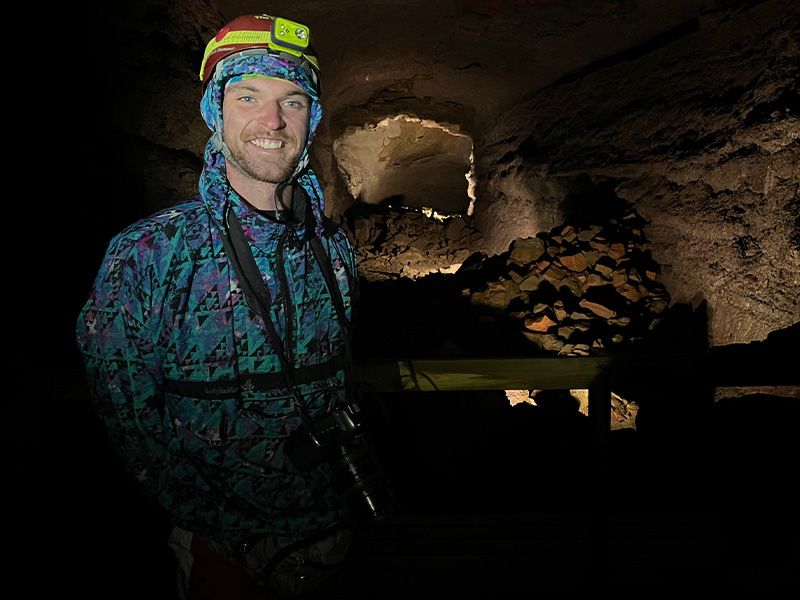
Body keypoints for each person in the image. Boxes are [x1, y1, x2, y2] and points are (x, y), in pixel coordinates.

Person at [76, 13, 390, 599]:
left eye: (293, 101)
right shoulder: (149, 254)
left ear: (312, 117)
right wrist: (228, 535)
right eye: (248, 96)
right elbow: (130, 421)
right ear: (216, 114)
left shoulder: (332, 248)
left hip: (335, 540)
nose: (272, 122)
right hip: (226, 557)